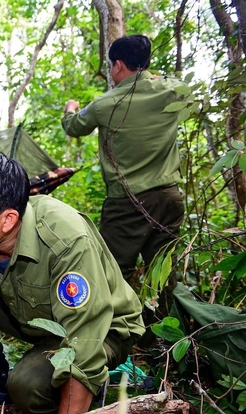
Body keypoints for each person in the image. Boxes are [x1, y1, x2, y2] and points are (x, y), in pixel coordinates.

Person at [0, 152, 145, 414]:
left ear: (8, 221)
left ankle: (85, 395)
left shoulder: (67, 243)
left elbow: (84, 343)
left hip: (101, 330)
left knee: (27, 388)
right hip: (39, 318)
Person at [61, 35, 188, 317]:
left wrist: (70, 107)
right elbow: (187, 95)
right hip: (169, 198)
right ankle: (171, 338)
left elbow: (74, 127)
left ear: (118, 65)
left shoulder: (106, 104)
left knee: (114, 270)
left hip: (127, 204)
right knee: (164, 272)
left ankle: (120, 336)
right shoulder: (172, 91)